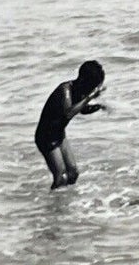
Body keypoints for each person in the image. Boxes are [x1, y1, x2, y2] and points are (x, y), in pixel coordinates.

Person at [34, 60, 106, 189]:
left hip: (59, 134)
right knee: (60, 177)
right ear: (85, 80)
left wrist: (98, 106)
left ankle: (66, 201)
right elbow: (68, 113)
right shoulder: (65, 89)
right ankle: (54, 205)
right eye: (93, 86)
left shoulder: (80, 90)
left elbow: (82, 109)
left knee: (73, 173)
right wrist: (90, 97)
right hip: (46, 137)